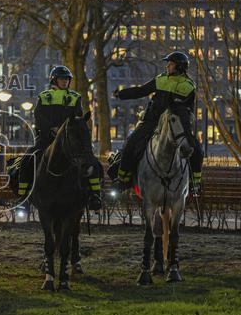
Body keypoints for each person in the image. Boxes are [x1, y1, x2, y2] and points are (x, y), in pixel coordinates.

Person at [112, 51, 204, 196]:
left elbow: (190, 111)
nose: (168, 66)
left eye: (171, 63)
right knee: (131, 143)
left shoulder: (189, 86)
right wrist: (122, 94)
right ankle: (123, 180)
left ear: (179, 67)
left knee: (197, 150)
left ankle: (195, 184)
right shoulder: (161, 79)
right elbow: (141, 91)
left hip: (178, 125)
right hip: (152, 121)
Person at [15, 66, 103, 211]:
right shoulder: (43, 96)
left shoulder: (75, 97)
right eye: (62, 79)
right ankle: (23, 198)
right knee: (27, 160)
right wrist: (51, 129)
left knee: (92, 162)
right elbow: (39, 117)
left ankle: (95, 195)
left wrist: (66, 131)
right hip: (46, 139)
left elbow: (78, 118)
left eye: (67, 79)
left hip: (70, 141)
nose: (65, 82)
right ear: (55, 80)